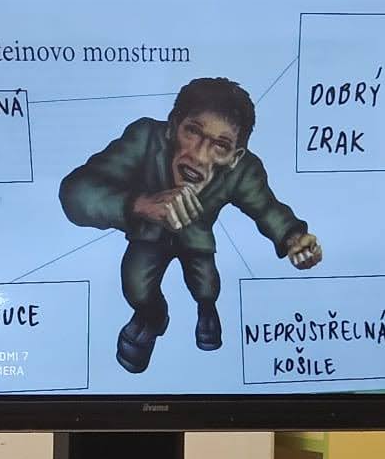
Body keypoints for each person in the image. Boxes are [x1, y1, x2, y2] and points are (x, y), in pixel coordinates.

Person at [59, 77, 323, 374]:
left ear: (234, 157)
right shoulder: (145, 138)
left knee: (205, 283)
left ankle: (206, 310)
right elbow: (76, 192)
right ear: (173, 126)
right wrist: (140, 205)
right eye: (193, 131)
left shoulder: (243, 170)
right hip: (148, 234)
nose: (198, 155)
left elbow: (266, 208)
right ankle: (151, 317)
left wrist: (293, 238)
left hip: (197, 238)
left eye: (220, 145)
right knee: (136, 286)